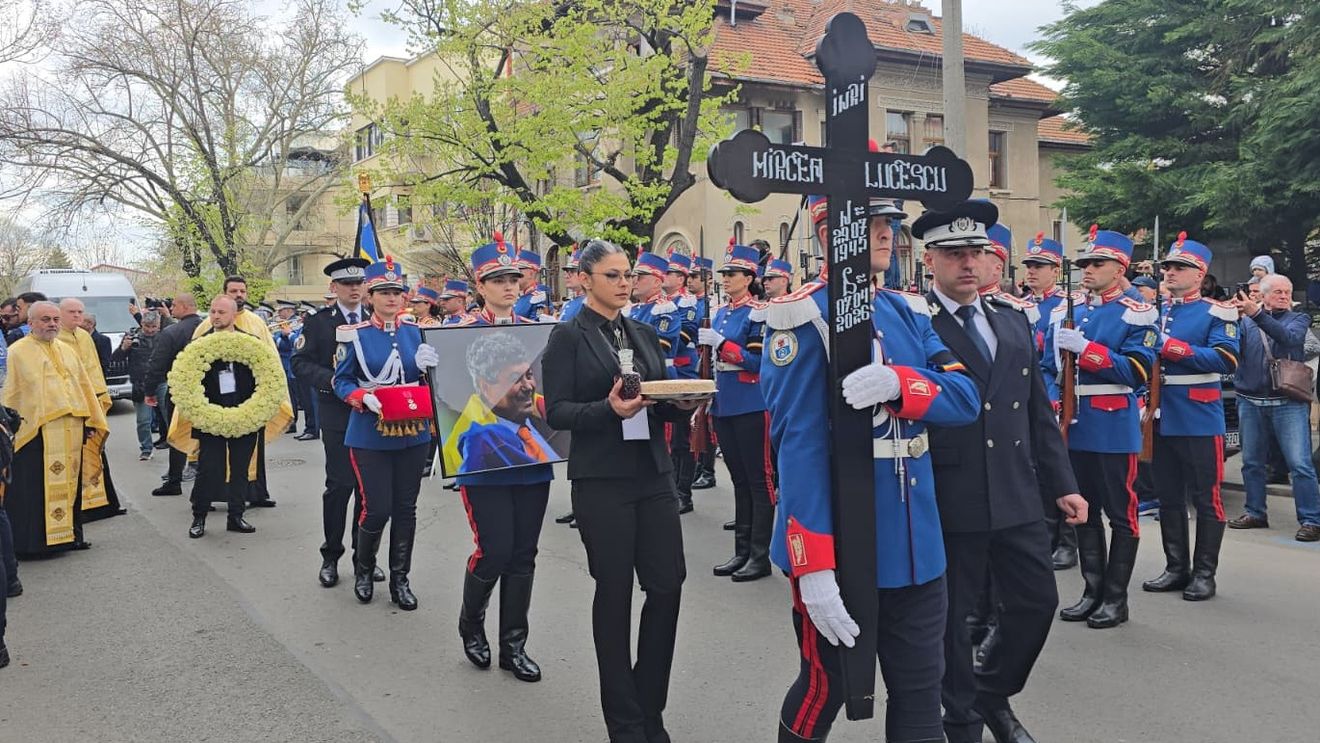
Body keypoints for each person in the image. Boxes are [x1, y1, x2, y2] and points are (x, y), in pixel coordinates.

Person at [761, 194, 980, 743]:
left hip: (918, 543)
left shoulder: (907, 310)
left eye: (889, 224)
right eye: (870, 224)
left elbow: (965, 396)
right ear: (829, 234)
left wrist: (903, 385)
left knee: (920, 691)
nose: (886, 234)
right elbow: (798, 445)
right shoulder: (803, 315)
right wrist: (810, 562)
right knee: (825, 688)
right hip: (844, 543)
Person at [918, 201, 1085, 743]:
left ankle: (992, 691)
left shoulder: (1011, 319)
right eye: (954, 254)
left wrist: (1062, 484)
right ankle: (961, 716)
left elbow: (1038, 409)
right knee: (954, 619)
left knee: (1038, 602)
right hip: (950, 489)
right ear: (929, 260)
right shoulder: (915, 321)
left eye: (977, 253)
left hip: (1015, 491)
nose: (968, 263)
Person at [543, 239, 700, 743]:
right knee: (614, 593)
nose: (624, 282)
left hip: (652, 474)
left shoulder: (644, 332)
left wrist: (683, 401)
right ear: (585, 279)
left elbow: (659, 391)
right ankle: (625, 721)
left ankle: (649, 704)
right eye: (612, 275)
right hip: (602, 479)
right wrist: (607, 411)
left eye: (628, 274)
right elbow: (558, 412)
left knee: (668, 586)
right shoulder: (568, 336)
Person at [445, 237, 556, 681]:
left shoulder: (538, 329)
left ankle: (514, 645)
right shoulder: (458, 332)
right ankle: (471, 624)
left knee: (524, 554)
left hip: (532, 460)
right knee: (494, 550)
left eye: (515, 278)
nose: (510, 287)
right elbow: (448, 391)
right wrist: (425, 362)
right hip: (484, 462)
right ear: (481, 284)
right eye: (499, 280)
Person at [1043, 228, 1158, 629]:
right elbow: (1046, 366)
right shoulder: (1065, 311)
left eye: (1097, 264)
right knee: (1083, 512)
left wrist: (1087, 351)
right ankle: (1092, 591)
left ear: (1120, 267)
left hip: (1113, 424)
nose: (1088, 270)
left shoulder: (1136, 312)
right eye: (1084, 264)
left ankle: (1115, 598)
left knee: (1121, 514)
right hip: (1074, 424)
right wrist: (1053, 400)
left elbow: (1138, 370)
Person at [1140, 235, 1239, 599]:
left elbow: (1225, 360)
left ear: (1200, 274)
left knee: (1206, 497)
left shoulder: (1218, 311)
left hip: (1198, 414)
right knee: (1167, 496)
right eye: (1167, 267)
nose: (1170, 272)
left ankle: (1204, 574)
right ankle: (1176, 567)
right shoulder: (1154, 312)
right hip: (1161, 413)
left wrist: (1171, 348)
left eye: (1179, 268)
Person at [334, 256, 434, 609]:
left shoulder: (417, 332)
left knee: (406, 508)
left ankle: (400, 580)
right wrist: (362, 397)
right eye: (384, 292)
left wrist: (428, 372)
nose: (392, 298)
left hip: (412, 431)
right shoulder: (355, 336)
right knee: (376, 508)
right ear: (370, 297)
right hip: (370, 433)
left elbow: (429, 382)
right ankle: (364, 569)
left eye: (397, 292)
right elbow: (341, 380)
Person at [291, 258, 385, 587]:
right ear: (334, 288)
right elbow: (300, 362)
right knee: (340, 485)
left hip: (373, 412)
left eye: (360, 283)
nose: (355, 288)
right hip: (338, 414)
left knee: (368, 490)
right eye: (347, 284)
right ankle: (331, 555)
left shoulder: (377, 321)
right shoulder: (318, 323)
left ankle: (365, 557)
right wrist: (335, 381)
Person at [169, 276, 292, 509]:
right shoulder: (206, 327)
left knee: (246, 457)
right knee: (210, 461)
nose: (239, 294)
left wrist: (271, 395)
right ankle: (204, 505)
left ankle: (252, 496)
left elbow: (269, 361)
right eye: (234, 290)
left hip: (248, 403)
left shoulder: (256, 323)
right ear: (225, 293)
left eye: (242, 291)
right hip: (213, 405)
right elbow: (193, 365)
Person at [1, 301, 108, 555]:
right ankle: (34, 545)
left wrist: (89, 421)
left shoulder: (67, 350)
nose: (52, 324)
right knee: (33, 489)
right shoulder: (18, 351)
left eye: (55, 319)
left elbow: (82, 387)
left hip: (71, 429)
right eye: (45, 319)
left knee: (70, 483)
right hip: (37, 433)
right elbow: (14, 392)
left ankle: (69, 537)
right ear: (31, 323)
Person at [1228, 273, 1320, 541]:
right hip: (1250, 401)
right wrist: (1230, 318)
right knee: (1252, 463)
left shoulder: (1299, 318)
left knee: (1300, 464)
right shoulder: (1246, 321)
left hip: (1287, 403)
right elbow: (1233, 350)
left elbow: (1288, 339)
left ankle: (1312, 520)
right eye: (1277, 292)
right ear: (1263, 295)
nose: (1283, 296)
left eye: (1286, 292)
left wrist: (1256, 314)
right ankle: (1255, 512)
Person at [185, 296, 267, 539]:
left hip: (245, 416)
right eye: (212, 311)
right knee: (208, 470)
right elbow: (188, 382)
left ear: (233, 315)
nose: (216, 316)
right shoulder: (199, 345)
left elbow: (263, 379)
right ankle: (199, 517)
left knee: (240, 470)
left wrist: (255, 410)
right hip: (210, 417)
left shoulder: (251, 343)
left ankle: (236, 516)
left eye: (221, 312)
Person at [56, 298, 122, 524]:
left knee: (97, 451)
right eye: (72, 312)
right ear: (61, 314)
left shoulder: (84, 336)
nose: (77, 316)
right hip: (73, 406)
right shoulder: (55, 339)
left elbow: (94, 369)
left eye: (80, 312)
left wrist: (101, 397)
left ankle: (103, 504)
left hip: (93, 400)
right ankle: (81, 508)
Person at [144, 294, 204, 496]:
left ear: (185, 307)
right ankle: (207, 481)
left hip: (179, 391)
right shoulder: (206, 328)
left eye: (175, 305)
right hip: (207, 391)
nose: (171, 308)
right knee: (207, 436)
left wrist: (149, 391)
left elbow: (157, 364)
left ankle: (174, 480)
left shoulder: (172, 332)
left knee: (177, 434)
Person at [662, 251, 700, 513]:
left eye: (668, 273)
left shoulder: (687, 302)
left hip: (683, 374)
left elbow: (683, 337)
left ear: (680, 278)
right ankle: (671, 488)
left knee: (681, 439)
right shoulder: (661, 303)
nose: (664, 277)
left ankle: (683, 492)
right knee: (669, 439)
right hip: (667, 374)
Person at [111, 311, 162, 460]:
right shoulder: (133, 337)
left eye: (154, 326)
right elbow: (116, 358)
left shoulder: (164, 337)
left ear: (158, 325)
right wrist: (124, 348)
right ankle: (146, 448)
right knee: (143, 420)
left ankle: (174, 444)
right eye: (147, 326)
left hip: (161, 381)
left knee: (169, 416)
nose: (150, 330)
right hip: (141, 384)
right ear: (142, 324)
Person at [687, 257, 719, 492]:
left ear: (707, 279)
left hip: (708, 360)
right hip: (700, 361)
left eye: (694, 277)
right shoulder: (691, 303)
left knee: (707, 420)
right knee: (696, 420)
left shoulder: (712, 303)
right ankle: (699, 465)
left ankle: (708, 470)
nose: (690, 281)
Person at [513, 246, 554, 320]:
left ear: (531, 274)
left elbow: (537, 327)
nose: (515, 275)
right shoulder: (515, 296)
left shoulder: (539, 298)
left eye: (519, 271)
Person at [559, 247, 587, 323]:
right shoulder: (569, 302)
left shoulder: (590, 303)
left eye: (571, 272)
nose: (566, 276)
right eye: (567, 272)